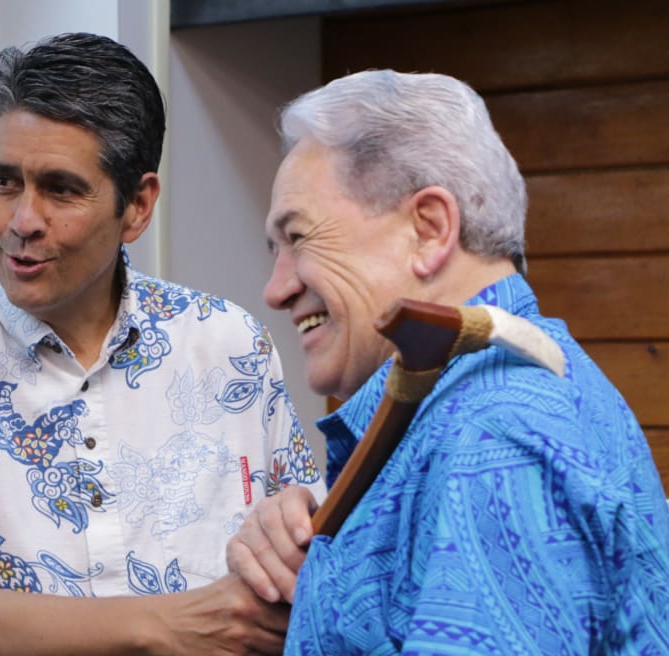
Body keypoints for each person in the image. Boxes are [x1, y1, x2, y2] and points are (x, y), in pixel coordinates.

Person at [0, 32, 325, 656]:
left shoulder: (228, 345)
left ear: (138, 206)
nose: (21, 221)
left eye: (61, 189)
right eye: (4, 182)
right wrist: (172, 626)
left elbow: (293, 557)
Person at [226, 69, 669, 653]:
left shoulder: (496, 433)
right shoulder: (471, 409)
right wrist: (315, 555)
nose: (276, 289)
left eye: (299, 238)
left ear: (428, 230)